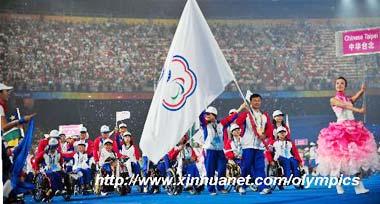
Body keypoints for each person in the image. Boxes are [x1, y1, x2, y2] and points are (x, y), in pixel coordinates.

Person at [316, 77, 380, 194]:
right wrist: (358, 110)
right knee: (339, 161)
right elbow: (346, 106)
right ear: (335, 85)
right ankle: (339, 186)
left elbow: (353, 99)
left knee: (355, 159)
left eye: (342, 83)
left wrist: (361, 90)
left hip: (353, 131)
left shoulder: (347, 99)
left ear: (345, 86)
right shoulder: (333, 100)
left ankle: (358, 187)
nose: (339, 85)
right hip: (340, 132)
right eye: (337, 83)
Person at [234, 93, 274, 195]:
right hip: (247, 145)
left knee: (260, 167)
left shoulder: (264, 116)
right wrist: (242, 110)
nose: (257, 102)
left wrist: (264, 135)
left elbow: (270, 129)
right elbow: (237, 122)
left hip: (259, 146)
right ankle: (242, 186)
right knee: (246, 167)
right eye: (254, 100)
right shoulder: (247, 114)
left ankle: (263, 187)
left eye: (258, 100)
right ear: (250, 102)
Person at [199, 106, 238, 195]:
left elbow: (231, 118)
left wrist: (239, 109)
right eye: (206, 114)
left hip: (220, 151)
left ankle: (220, 187)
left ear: (214, 115)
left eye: (209, 114)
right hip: (209, 151)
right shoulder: (205, 124)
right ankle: (211, 189)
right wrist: (201, 106)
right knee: (210, 170)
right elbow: (201, 116)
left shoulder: (221, 124)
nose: (207, 115)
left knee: (222, 169)